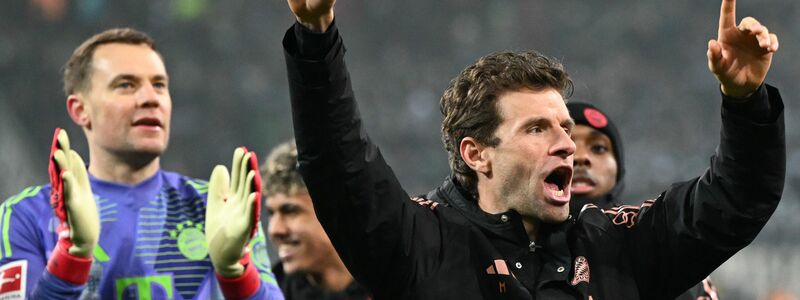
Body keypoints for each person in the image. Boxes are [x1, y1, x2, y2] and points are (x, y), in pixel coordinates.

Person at [283, 0, 784, 298]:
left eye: (564, 128)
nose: (568, 146)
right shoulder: (420, 243)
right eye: (538, 129)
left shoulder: (617, 245)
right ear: (477, 153)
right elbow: (341, 168)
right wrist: (316, 40)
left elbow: (733, 205)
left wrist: (744, 102)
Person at [0, 28, 283, 299]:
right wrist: (72, 257)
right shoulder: (25, 216)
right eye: (126, 85)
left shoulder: (220, 208)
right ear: (80, 109)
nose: (151, 98)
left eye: (159, 85)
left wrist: (237, 273)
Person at [567, 101, 719, 300]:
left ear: (619, 169)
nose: (580, 157)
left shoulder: (653, 243)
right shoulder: (518, 245)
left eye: (598, 148)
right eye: (568, 146)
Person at [263, 141, 371, 299]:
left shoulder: (399, 283)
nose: (274, 230)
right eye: (271, 213)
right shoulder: (269, 293)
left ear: (335, 211)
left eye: (290, 211)